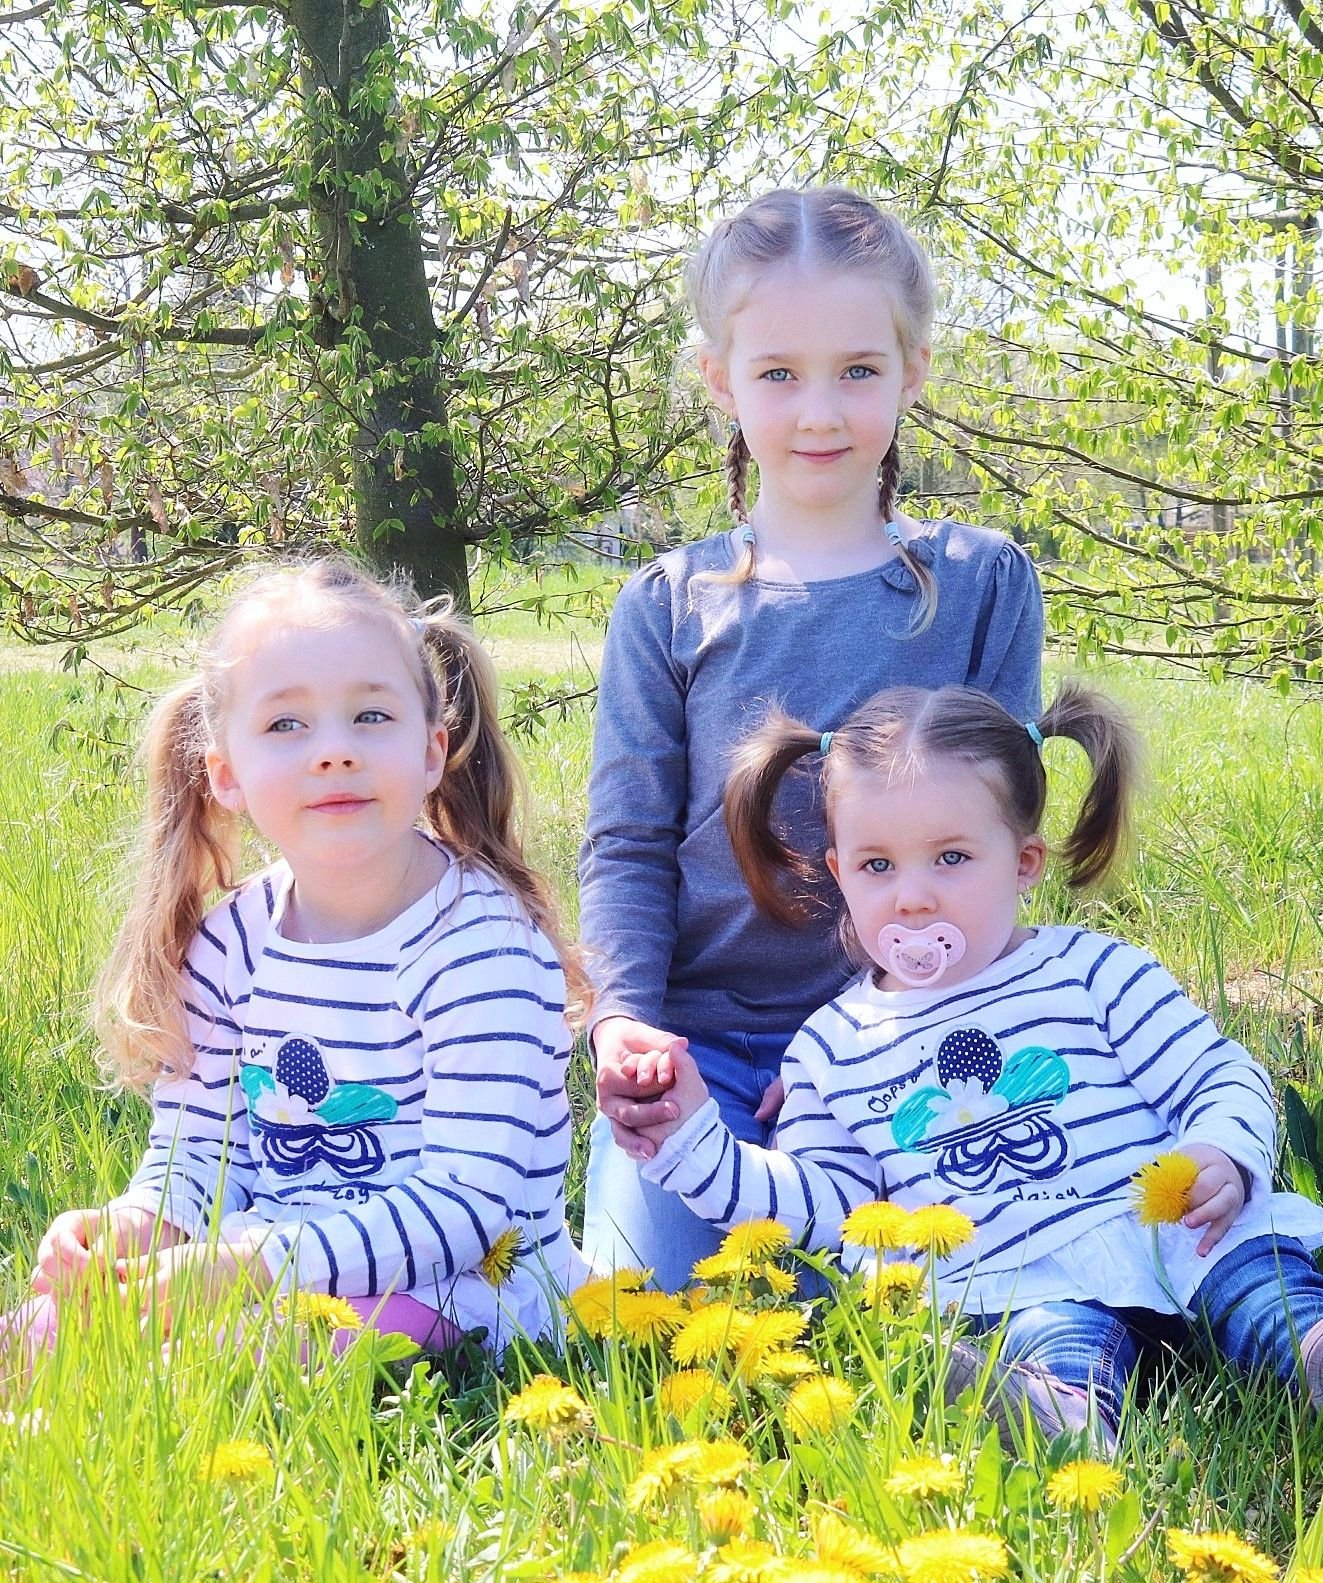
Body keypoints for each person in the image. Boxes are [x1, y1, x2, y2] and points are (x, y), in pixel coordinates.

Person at [614, 681, 1323, 1441]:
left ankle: (1310, 1351)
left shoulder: (1091, 971)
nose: (912, 898)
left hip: (1185, 1232)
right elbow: (829, 1207)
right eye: (878, 865)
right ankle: (1063, 1415)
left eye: (950, 857)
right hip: (1023, 1282)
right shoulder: (831, 1048)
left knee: (1264, 1292)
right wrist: (695, 1143)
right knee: (1050, 1340)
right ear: (839, 871)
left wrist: (1220, 1148)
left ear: (1023, 862)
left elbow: (1218, 1073)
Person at [579, 185, 1045, 1289]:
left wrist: (867, 1036)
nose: (820, 413)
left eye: (858, 370)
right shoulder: (668, 607)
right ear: (719, 379)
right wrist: (626, 1028)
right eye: (779, 374)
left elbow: (992, 847)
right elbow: (627, 845)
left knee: (940, 1299)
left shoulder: (983, 584)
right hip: (706, 1051)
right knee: (659, 1313)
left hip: (917, 1031)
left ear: (913, 369)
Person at [7, 558, 585, 1361]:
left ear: (432, 751)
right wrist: (133, 1226)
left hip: (462, 1289)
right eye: (286, 725)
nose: (334, 752)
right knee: (34, 1337)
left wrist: (245, 1267)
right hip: (268, 1265)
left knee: (220, 1357)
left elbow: (466, 1207)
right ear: (226, 773)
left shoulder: (479, 945)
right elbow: (198, 1154)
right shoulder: (231, 944)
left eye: (371, 715)